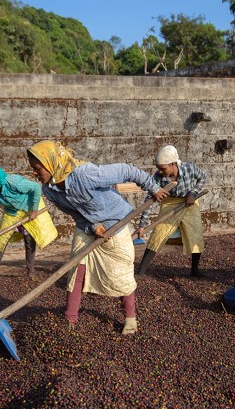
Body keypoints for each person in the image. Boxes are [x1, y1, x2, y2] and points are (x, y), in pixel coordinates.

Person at [26, 140, 168, 335]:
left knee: (122, 271)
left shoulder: (84, 175)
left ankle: (130, 318)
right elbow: (75, 214)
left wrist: (153, 187)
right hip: (87, 227)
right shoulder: (49, 190)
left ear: (51, 163)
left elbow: (127, 171)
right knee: (76, 270)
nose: (34, 173)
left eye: (37, 168)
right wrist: (93, 227)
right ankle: (70, 320)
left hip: (115, 223)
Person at [0, 163, 58, 284]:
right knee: (1, 240)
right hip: (12, 212)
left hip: (29, 207)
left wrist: (34, 210)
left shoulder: (13, 182)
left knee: (29, 239)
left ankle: (31, 273)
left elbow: (36, 187)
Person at [135, 145, 207, 277]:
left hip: (189, 202)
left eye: (163, 169)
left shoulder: (190, 168)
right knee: (158, 234)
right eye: (159, 169)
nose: (160, 172)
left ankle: (195, 271)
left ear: (173, 164)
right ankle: (141, 272)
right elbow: (149, 200)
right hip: (170, 202)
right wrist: (142, 226)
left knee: (195, 234)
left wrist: (193, 193)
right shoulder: (158, 177)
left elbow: (203, 178)